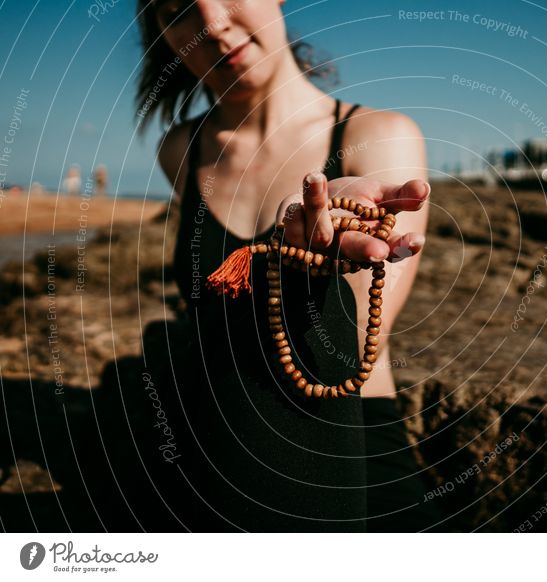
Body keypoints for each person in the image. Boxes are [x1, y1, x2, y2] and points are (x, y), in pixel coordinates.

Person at [135, 0, 438, 531]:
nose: (212, 23)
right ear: (161, 31)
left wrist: (313, 251)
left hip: (340, 420)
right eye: (179, 8)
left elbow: (354, 342)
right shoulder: (182, 148)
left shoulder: (379, 135)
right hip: (212, 413)